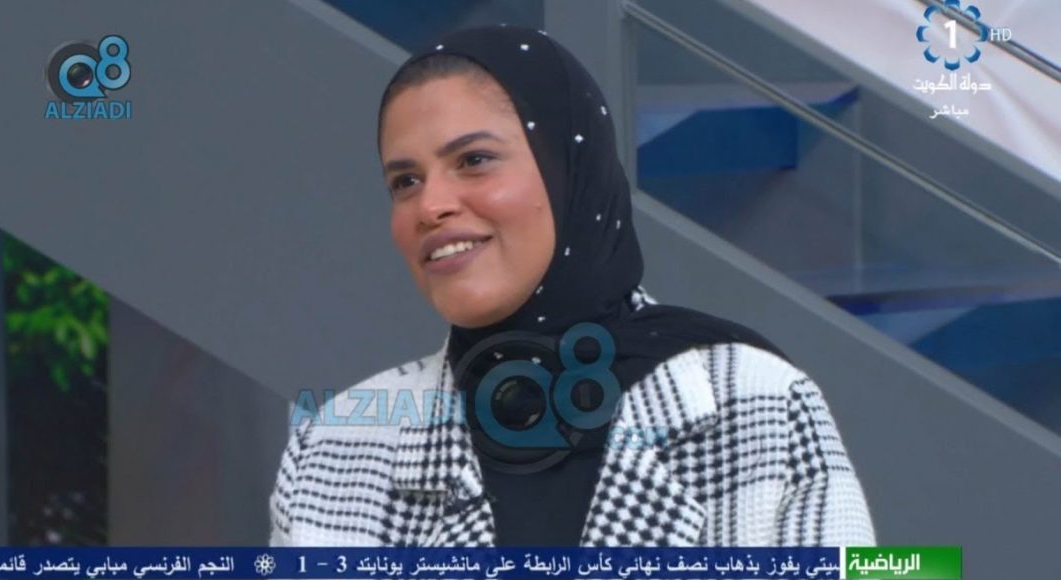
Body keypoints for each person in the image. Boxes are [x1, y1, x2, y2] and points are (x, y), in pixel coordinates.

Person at [269, 24, 875, 548]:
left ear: (571, 170)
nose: (430, 206)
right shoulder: (333, 449)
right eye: (405, 181)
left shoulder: (760, 404)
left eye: (474, 160)